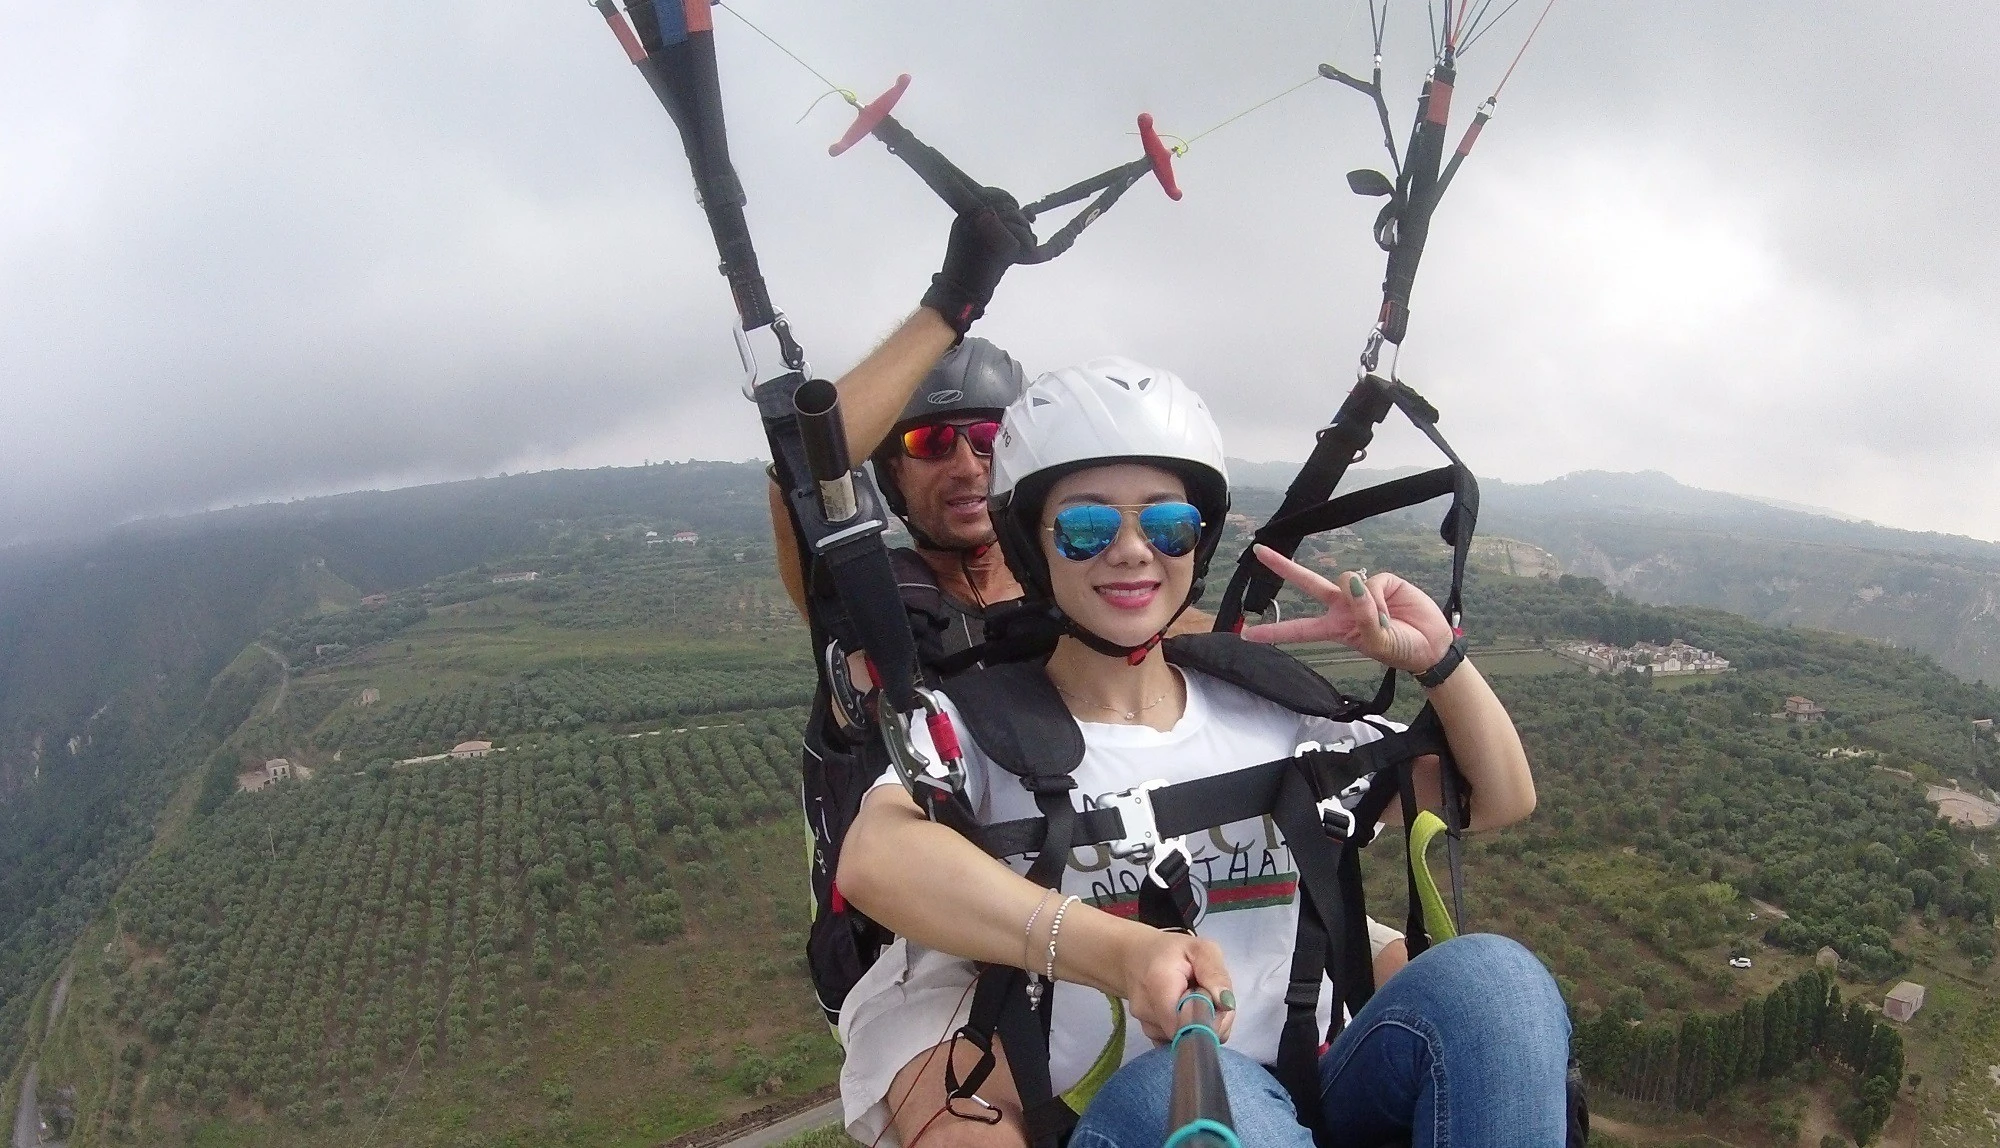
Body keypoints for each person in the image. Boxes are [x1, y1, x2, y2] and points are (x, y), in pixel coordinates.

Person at [833, 361, 1570, 1146]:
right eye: (1086, 527)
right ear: (1031, 543)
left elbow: (1494, 798)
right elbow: (877, 858)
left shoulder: (1269, 712)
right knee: (1181, 1093)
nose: (1130, 551)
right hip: (1138, 1112)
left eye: (1166, 526)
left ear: (1197, 540)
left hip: (1312, 1088)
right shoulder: (977, 728)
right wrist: (1120, 953)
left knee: (1496, 982)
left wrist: (1438, 662)